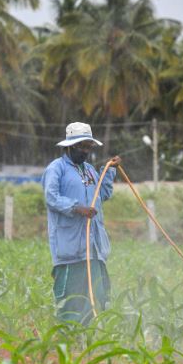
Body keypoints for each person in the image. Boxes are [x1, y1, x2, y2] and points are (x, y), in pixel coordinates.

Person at [42, 122, 121, 325]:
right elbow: (51, 197)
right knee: (70, 303)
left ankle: (87, 344)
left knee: (95, 299)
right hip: (71, 249)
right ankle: (68, 346)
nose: (85, 151)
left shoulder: (90, 171)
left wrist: (109, 171)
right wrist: (77, 208)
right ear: (69, 146)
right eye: (81, 146)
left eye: (88, 147)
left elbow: (101, 195)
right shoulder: (56, 169)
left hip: (93, 249)